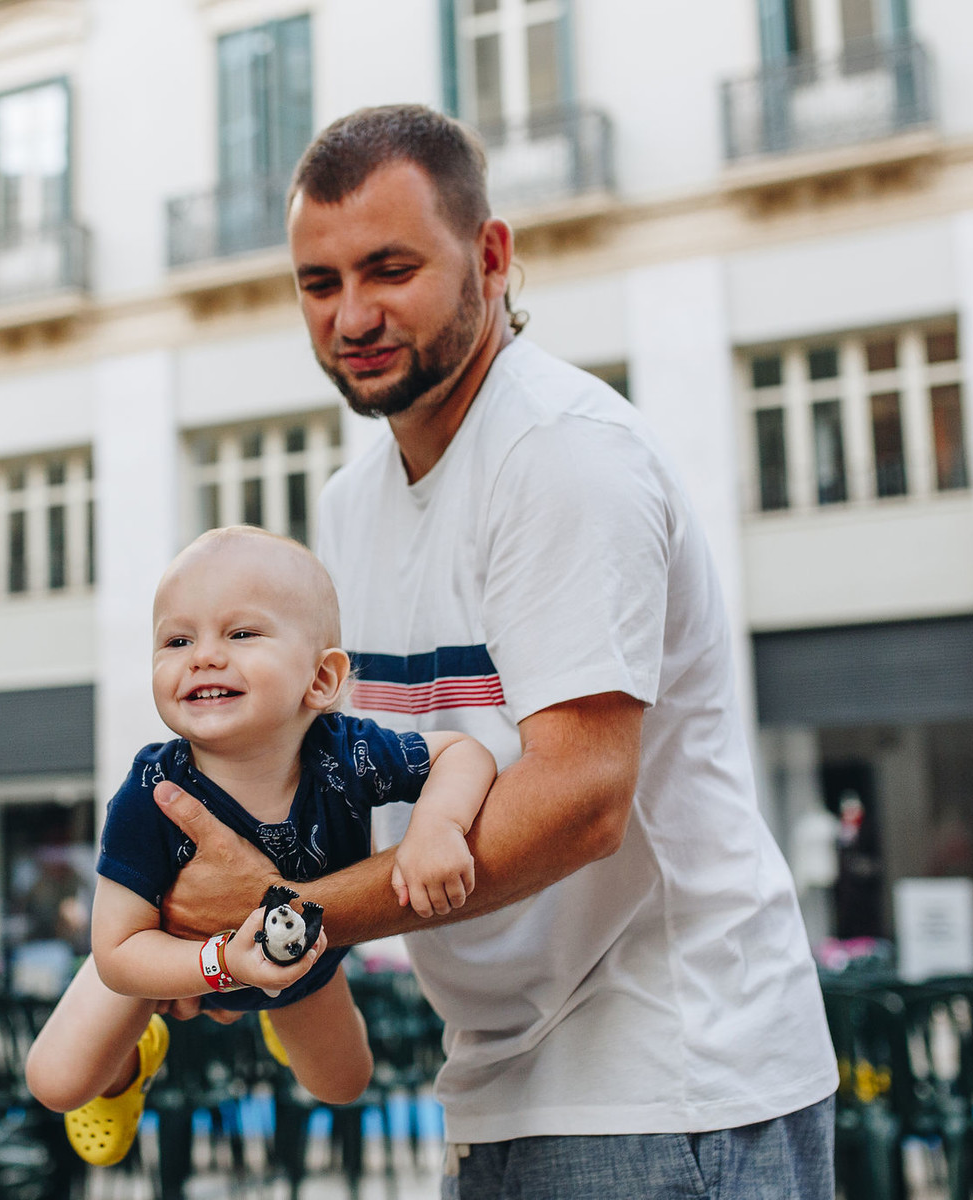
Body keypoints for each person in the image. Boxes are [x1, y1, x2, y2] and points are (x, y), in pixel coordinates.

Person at [151, 106, 840, 1198]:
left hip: (671, 1075)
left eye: (389, 269)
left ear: (491, 254)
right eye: (319, 284)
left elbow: (579, 797)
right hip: (498, 1079)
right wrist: (186, 923)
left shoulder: (564, 455)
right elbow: (348, 791)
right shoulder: (352, 505)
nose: (354, 314)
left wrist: (288, 915)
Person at [23, 525, 497, 1166]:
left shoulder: (345, 752)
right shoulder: (153, 789)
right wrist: (221, 963)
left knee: (342, 1083)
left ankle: (278, 1010)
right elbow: (117, 951)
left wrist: (436, 826)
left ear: (322, 679)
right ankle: (131, 1064)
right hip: (164, 949)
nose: (203, 657)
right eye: (177, 639)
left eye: (241, 634)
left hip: (295, 950)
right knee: (56, 1083)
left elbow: (461, 752)